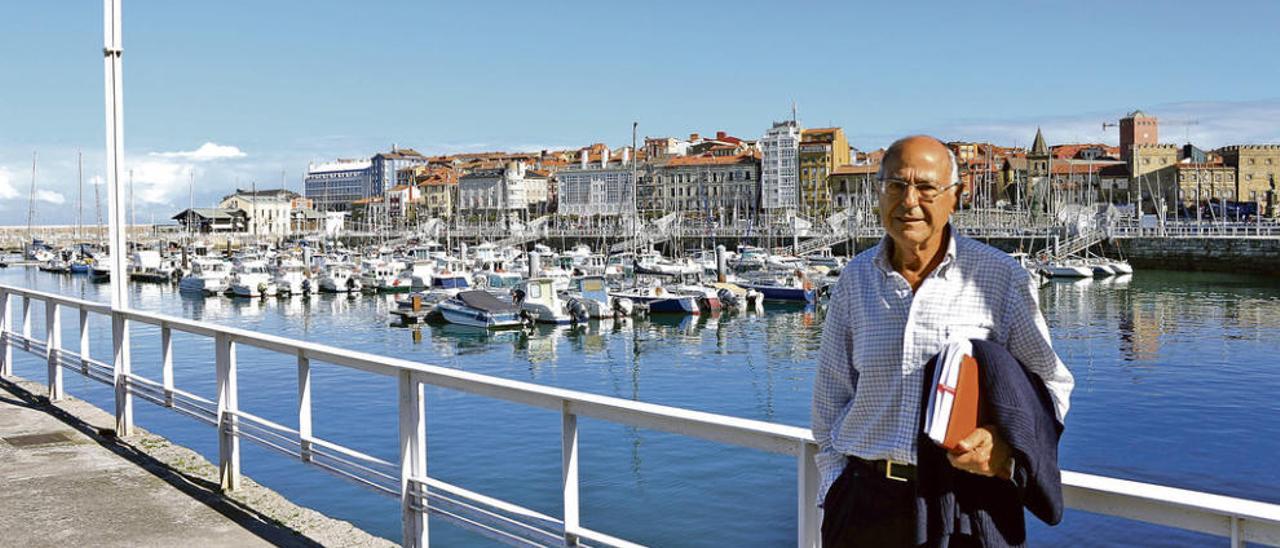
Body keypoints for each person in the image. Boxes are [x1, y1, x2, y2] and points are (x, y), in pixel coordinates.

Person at [812, 135, 1074, 546]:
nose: (909, 201)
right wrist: (834, 487)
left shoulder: (1001, 279)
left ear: (956, 197)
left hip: (965, 506)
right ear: (879, 193)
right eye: (895, 186)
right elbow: (829, 400)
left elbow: (1052, 386)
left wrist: (1003, 446)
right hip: (864, 505)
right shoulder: (854, 280)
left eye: (926, 188)